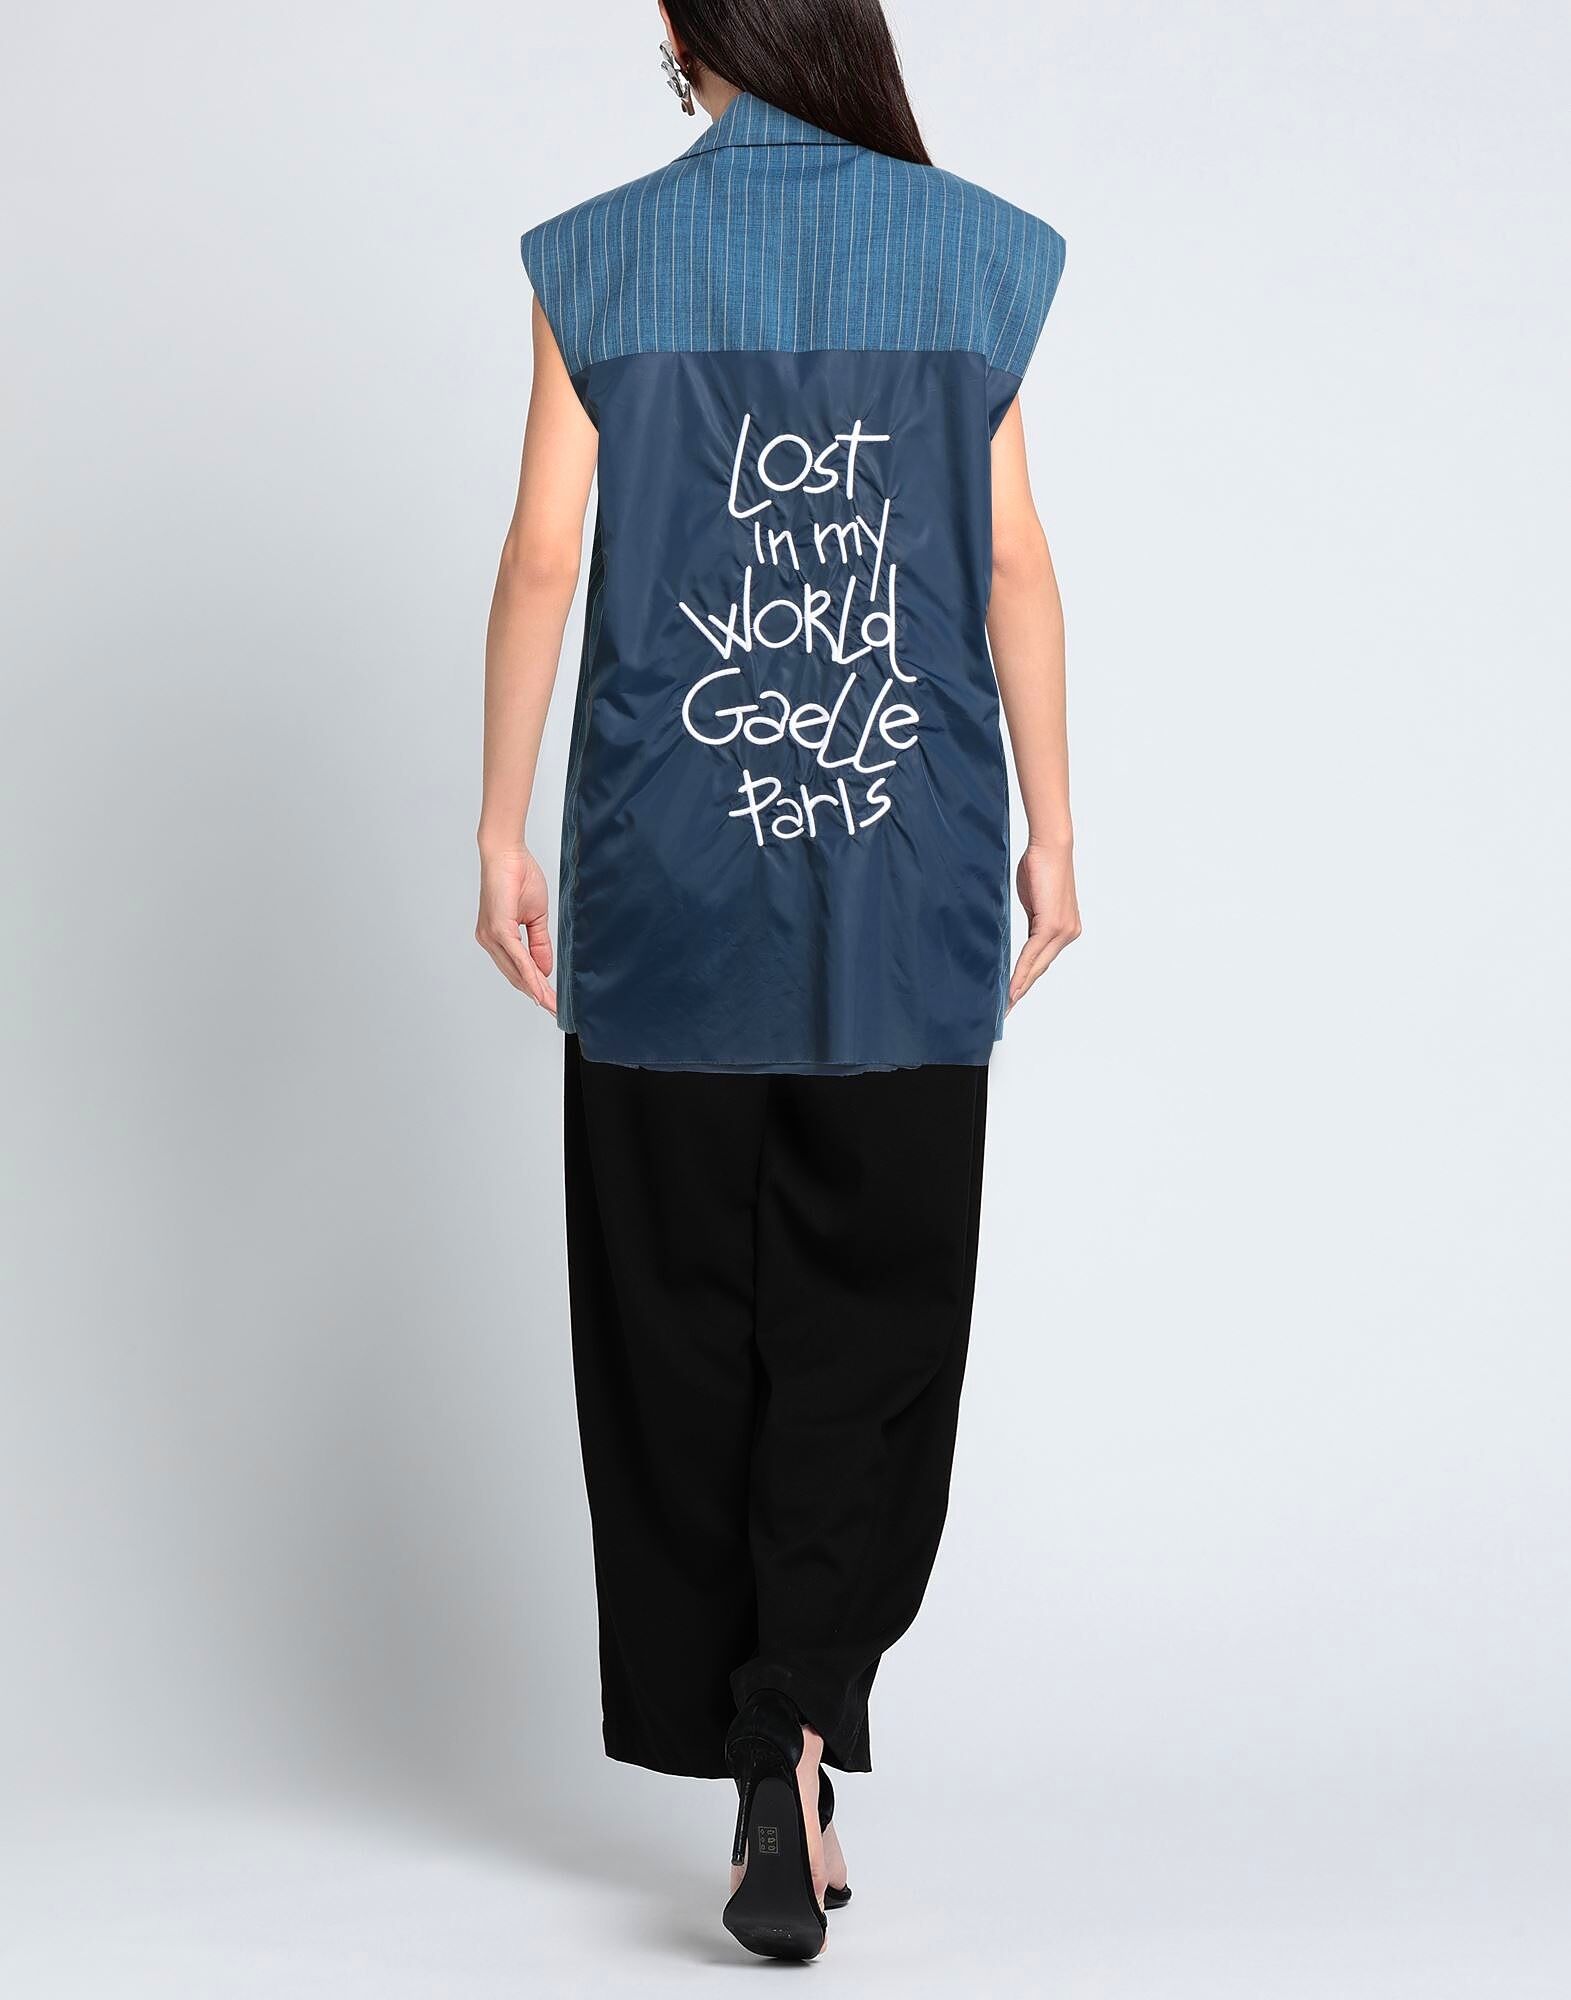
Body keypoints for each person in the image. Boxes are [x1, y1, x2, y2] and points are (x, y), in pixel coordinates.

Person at [476, 0, 1079, 1960]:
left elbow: (546, 556)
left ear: (684, 25)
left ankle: (750, 1738)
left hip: (667, 892)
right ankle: (793, 1719)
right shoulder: (969, 252)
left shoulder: (601, 258)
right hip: (904, 896)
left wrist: (499, 827)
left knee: (675, 1323)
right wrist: (1054, 833)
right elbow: (1013, 566)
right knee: (870, 1324)